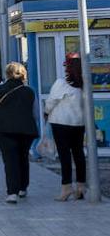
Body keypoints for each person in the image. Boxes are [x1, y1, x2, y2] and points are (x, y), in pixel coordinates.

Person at [0, 61, 39, 204]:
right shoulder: (30, 91)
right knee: (23, 158)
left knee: (10, 160)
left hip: (4, 130)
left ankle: (12, 193)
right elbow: (36, 114)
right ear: (23, 74)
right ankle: (23, 188)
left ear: (7, 74)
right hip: (26, 130)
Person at [45, 53, 87, 201]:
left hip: (61, 123)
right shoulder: (84, 85)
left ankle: (66, 187)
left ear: (68, 67)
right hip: (79, 123)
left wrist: (46, 112)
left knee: (64, 155)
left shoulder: (61, 84)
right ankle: (81, 186)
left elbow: (51, 102)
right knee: (79, 154)